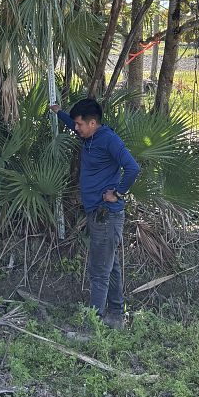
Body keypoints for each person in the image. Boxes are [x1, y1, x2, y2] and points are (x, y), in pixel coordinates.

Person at [49, 97, 140, 329]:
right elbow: (72, 124)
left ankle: (92, 327)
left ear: (92, 123)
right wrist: (59, 112)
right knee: (111, 265)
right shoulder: (88, 135)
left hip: (106, 214)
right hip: (97, 213)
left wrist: (118, 193)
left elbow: (132, 167)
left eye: (79, 124)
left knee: (99, 271)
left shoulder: (109, 140)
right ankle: (116, 316)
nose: (76, 128)